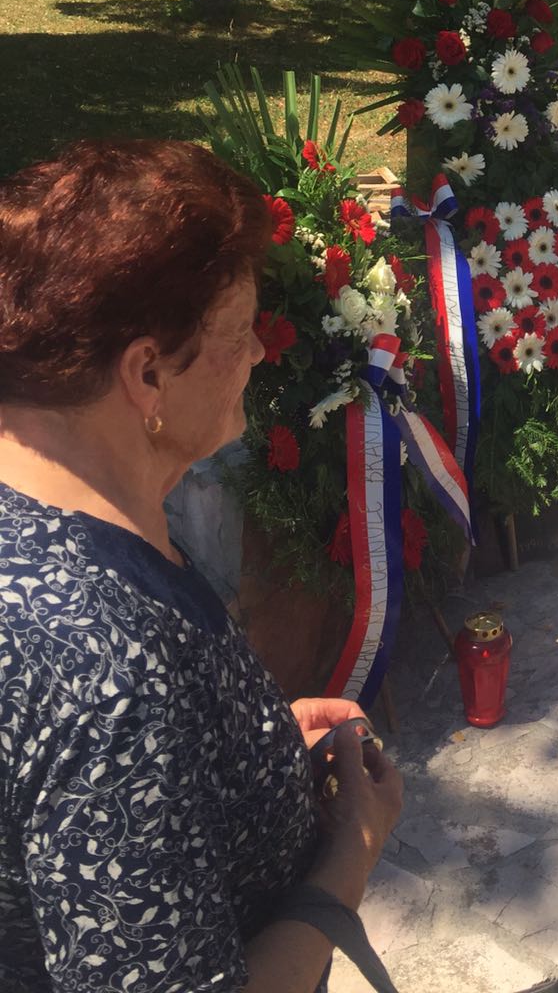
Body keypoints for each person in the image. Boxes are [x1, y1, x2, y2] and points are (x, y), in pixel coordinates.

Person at [0, 139, 405, 993]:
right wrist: (350, 854)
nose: (260, 355)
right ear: (147, 373)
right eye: (239, 334)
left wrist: (235, 750)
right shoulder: (107, 673)